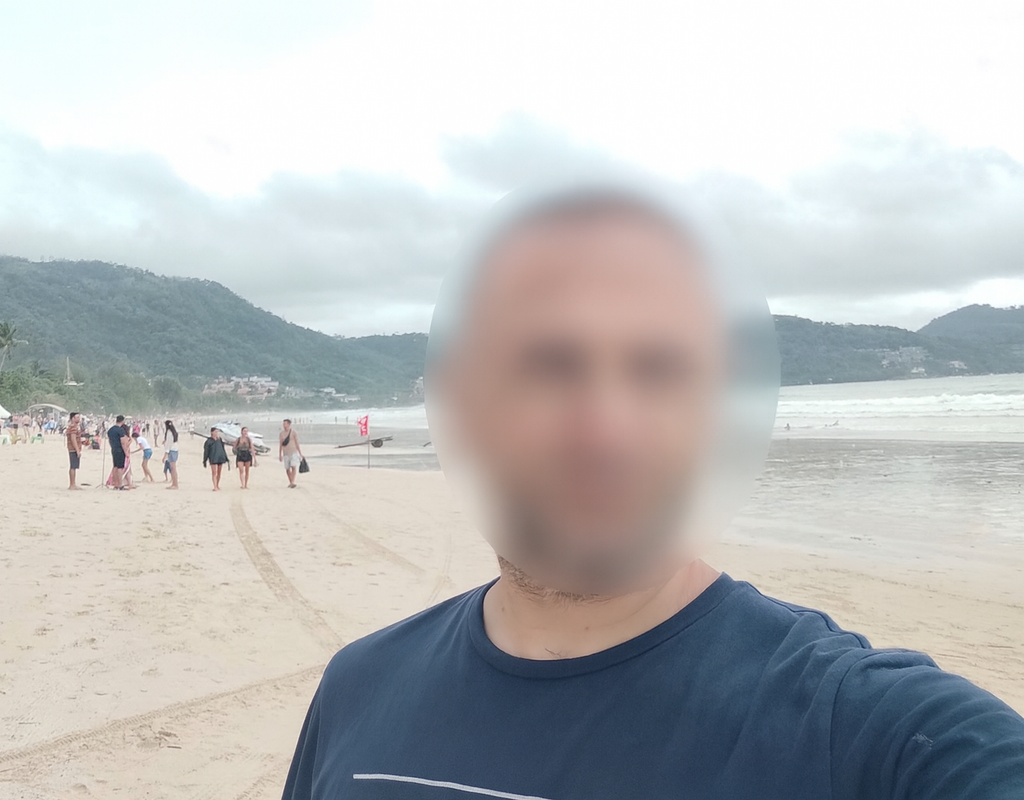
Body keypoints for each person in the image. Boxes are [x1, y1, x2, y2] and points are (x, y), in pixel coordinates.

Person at [280, 182, 1024, 799]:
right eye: (549, 366)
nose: (605, 431)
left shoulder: (857, 730)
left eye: (659, 372)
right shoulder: (357, 689)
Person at [106, 415, 130, 491]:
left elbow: (109, 440)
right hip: (120, 450)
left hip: (114, 449)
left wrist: (112, 447)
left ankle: (115, 483)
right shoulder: (120, 430)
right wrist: (126, 452)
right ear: (122, 421)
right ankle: (120, 484)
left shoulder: (110, 430)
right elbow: (123, 443)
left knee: (115, 466)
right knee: (120, 467)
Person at [202, 427, 230, 491]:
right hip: (213, 458)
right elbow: (206, 451)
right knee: (214, 472)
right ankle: (215, 486)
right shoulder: (209, 441)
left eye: (217, 432)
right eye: (216, 432)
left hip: (220, 457)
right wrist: (205, 460)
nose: (217, 433)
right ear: (212, 432)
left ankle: (217, 485)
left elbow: (223, 449)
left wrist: (226, 458)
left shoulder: (220, 440)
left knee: (219, 473)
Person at [278, 419, 303, 489]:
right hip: (286, 453)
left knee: (293, 466)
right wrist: (280, 454)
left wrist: (300, 453)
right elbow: (281, 444)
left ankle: (292, 482)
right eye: (283, 424)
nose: (284, 425)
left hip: (293, 452)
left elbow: (297, 443)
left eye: (285, 424)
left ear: (289, 424)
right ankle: (291, 482)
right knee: (287, 468)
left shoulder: (293, 432)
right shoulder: (281, 434)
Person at [65, 411, 83, 490]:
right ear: (72, 418)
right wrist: (77, 450)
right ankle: (72, 484)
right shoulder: (73, 427)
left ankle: (73, 483)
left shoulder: (73, 427)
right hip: (73, 449)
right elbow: (73, 439)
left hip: (72, 448)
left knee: (74, 466)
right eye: (77, 417)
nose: (78, 419)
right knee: (73, 466)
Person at [162, 419, 180, 490]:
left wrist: (165, 455)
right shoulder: (173, 432)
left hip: (171, 451)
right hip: (175, 450)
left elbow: (168, 445)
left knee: (173, 468)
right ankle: (174, 483)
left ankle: (175, 484)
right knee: (173, 468)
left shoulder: (169, 432)